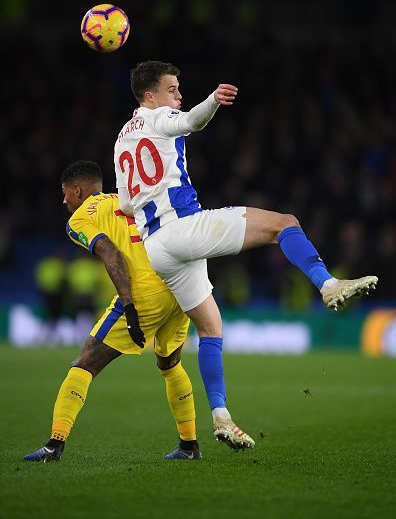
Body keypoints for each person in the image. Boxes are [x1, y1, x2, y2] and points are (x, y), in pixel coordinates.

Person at [114, 60, 378, 449]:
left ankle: (221, 418)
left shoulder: (122, 138)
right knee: (283, 223)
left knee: (210, 329)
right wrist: (213, 101)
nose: (178, 95)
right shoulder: (157, 117)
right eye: (173, 89)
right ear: (150, 96)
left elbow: (124, 203)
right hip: (182, 227)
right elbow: (189, 122)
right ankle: (328, 285)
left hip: (157, 247)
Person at [24, 160, 201, 462]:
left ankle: (55, 445)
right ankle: (189, 446)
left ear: (77, 190)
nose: (64, 200)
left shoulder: (80, 218)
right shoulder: (132, 197)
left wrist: (129, 307)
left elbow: (111, 253)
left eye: (65, 193)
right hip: (180, 281)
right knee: (170, 363)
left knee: (84, 362)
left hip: (145, 291)